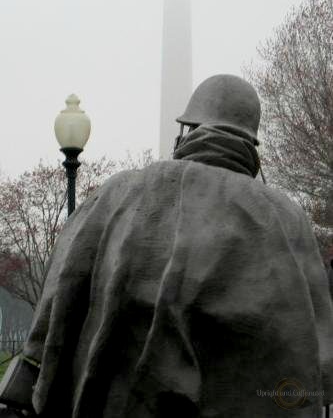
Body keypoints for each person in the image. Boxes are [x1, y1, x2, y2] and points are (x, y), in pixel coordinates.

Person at [1, 74, 333, 418]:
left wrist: (31, 370)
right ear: (250, 142)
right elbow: (321, 360)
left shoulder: (119, 193)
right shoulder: (288, 217)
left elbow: (63, 286)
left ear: (188, 129)